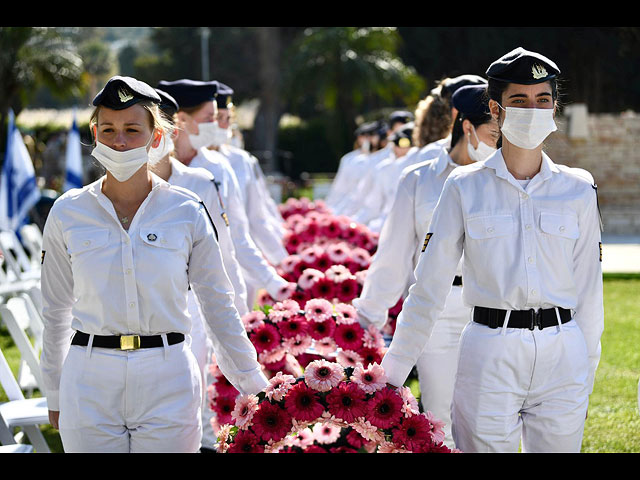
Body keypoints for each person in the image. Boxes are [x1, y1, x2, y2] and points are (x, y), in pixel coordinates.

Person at [380, 48, 604, 453]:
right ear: (497, 111)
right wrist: (393, 373)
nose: (533, 110)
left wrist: (585, 374)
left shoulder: (578, 188)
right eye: (519, 100)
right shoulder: (464, 187)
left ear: (555, 107)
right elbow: (427, 288)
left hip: (562, 352)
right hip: (489, 351)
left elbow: (589, 291)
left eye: (543, 100)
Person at [39, 76, 269, 453]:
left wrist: (253, 383)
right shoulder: (68, 211)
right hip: (90, 378)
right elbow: (56, 310)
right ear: (95, 134)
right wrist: (53, 390)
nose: (120, 141)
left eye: (132, 129)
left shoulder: (186, 211)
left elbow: (217, 305)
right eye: (109, 130)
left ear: (157, 138)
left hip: (168, 378)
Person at [354, 84, 499, 446]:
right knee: (439, 416)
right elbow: (394, 255)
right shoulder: (418, 178)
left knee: (494, 415)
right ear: (464, 125)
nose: (499, 143)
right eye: (493, 133)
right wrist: (367, 316)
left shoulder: (504, 177)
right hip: (438, 307)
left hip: (494, 307)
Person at [157, 79, 293, 308]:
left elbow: (236, 237)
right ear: (182, 119)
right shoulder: (151, 166)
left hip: (212, 293)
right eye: (209, 119)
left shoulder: (218, 167)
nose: (216, 126)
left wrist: (273, 282)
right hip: (162, 296)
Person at [206, 81, 288, 266]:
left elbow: (256, 215)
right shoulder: (184, 163)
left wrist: (283, 261)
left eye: (227, 119)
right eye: (217, 118)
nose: (223, 125)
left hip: (241, 259)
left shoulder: (241, 161)